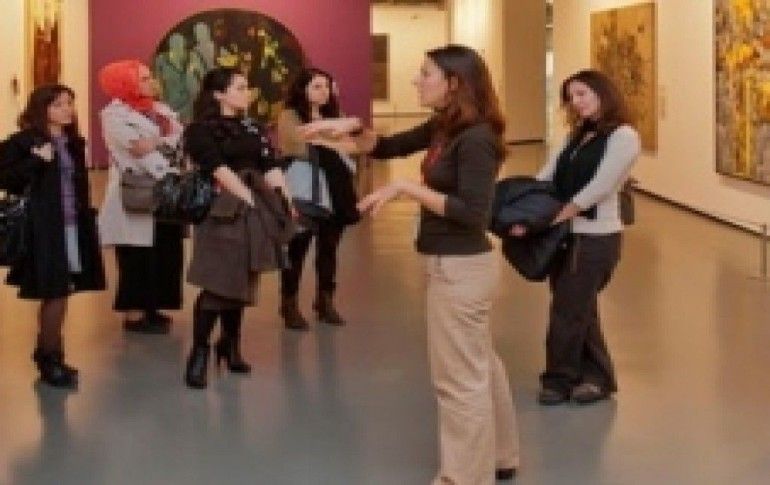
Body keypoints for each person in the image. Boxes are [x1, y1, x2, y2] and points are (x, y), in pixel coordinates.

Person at [305, 44, 520, 485]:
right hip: (453, 264)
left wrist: (407, 188)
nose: (416, 80)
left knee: (458, 379)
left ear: (454, 83)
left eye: (425, 73)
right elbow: (387, 146)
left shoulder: (476, 138)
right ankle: (500, 455)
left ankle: (464, 477)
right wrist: (346, 128)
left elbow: (472, 213)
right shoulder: (446, 125)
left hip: (461, 269)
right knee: (479, 363)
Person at [521, 69, 641, 405]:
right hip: (565, 235)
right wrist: (527, 204)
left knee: (568, 308)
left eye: (582, 94)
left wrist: (557, 214)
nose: (576, 102)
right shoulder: (577, 135)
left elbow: (601, 186)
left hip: (596, 238)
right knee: (579, 306)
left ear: (603, 93)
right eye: (571, 97)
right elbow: (547, 175)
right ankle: (598, 377)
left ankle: (558, 380)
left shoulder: (624, 136)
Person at [183, 67, 293, 389]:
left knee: (243, 276)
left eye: (247, 87)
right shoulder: (200, 130)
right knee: (218, 280)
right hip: (221, 209)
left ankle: (229, 345)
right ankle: (200, 351)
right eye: (240, 87)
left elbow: (269, 164)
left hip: (254, 205)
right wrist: (247, 198)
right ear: (219, 94)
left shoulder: (254, 127)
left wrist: (284, 198)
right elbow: (216, 168)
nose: (248, 93)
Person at [0, 84, 105, 388]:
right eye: (58, 104)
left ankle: (51, 353)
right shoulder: (23, 142)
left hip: (73, 224)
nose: (67, 109)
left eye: (70, 103)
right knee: (55, 290)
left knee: (63, 288)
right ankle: (48, 358)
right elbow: (6, 178)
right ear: (42, 108)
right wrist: (36, 160)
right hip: (44, 228)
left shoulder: (74, 142)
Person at [97, 60, 185, 335]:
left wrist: (158, 144)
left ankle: (154, 306)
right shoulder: (114, 115)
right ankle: (134, 314)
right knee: (136, 254)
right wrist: (163, 145)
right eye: (143, 79)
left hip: (166, 186)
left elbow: (178, 139)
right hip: (137, 188)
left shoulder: (159, 109)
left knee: (164, 249)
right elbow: (137, 149)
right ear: (125, 83)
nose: (150, 82)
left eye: (149, 77)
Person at [276, 67, 359, 330]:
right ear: (303, 89)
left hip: (337, 189)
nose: (324, 92)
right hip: (306, 190)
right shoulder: (289, 115)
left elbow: (351, 146)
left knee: (329, 248)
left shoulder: (336, 116)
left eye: (327, 86)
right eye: (317, 86)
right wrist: (330, 139)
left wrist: (322, 138)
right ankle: (289, 303)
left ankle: (325, 301)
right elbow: (296, 146)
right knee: (298, 248)